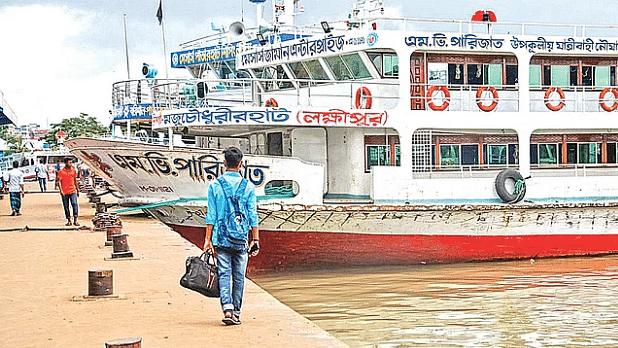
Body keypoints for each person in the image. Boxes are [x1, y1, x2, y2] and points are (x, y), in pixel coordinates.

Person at [204, 146, 260, 326]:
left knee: (224, 273)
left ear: (224, 163)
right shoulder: (249, 187)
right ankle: (236, 312)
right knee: (239, 276)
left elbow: (210, 214)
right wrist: (256, 239)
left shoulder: (215, 185)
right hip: (241, 239)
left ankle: (227, 310)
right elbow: (253, 215)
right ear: (241, 164)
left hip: (221, 238)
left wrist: (207, 240)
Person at [56, 157, 80, 226]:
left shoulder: (74, 171)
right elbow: (59, 182)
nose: (71, 164)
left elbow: (75, 180)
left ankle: (75, 219)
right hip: (65, 191)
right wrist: (61, 190)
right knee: (66, 206)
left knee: (74, 204)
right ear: (66, 163)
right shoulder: (61, 171)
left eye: (71, 162)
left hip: (73, 190)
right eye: (70, 162)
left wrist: (77, 189)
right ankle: (69, 220)